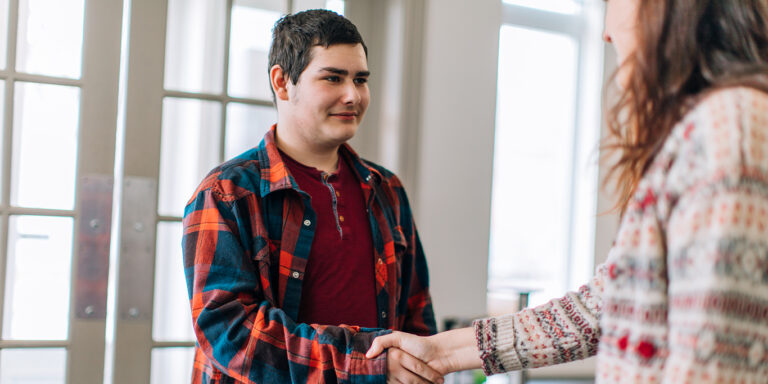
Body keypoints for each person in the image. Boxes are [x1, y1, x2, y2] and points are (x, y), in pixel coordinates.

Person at [366, 0, 768, 382]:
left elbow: (717, 353)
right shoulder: (712, 126)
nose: (607, 34)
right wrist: (440, 352)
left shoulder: (728, 126)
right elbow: (602, 305)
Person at [182, 9, 442, 384]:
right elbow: (232, 335)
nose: (352, 95)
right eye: (333, 78)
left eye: (361, 79)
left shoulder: (388, 189)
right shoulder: (227, 193)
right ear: (283, 82)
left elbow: (417, 315)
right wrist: (366, 366)